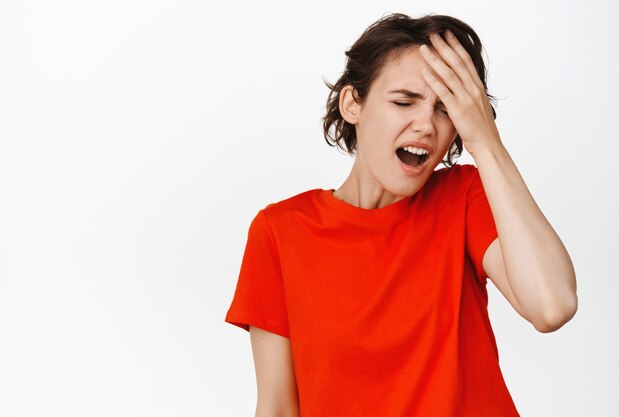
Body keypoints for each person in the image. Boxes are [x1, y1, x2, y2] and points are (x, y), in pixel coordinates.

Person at [224, 12, 578, 417]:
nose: (426, 124)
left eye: (446, 110)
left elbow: (552, 306)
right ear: (353, 104)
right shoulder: (280, 232)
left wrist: (485, 140)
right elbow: (277, 408)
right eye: (403, 102)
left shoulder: (463, 197)